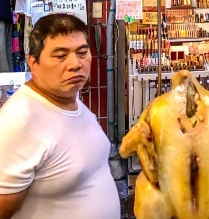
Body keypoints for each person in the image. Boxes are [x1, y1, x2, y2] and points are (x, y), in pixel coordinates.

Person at [0, 13, 120, 218]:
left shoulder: (70, 99)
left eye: (82, 53)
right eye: (60, 56)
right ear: (33, 62)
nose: (75, 64)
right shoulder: (19, 121)